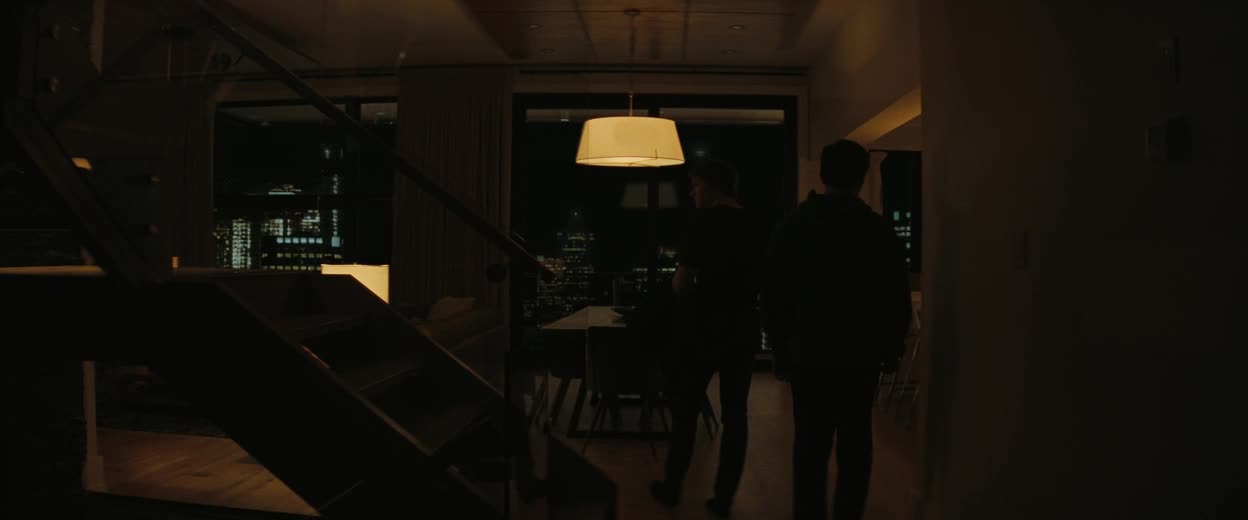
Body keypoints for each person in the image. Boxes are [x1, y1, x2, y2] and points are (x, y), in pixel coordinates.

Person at [762, 140, 912, 520]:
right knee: (856, 444)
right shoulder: (876, 229)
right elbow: (895, 295)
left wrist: (780, 348)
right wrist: (892, 348)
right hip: (860, 354)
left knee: (810, 446)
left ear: (822, 174)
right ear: (862, 177)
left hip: (808, 352)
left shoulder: (795, 225)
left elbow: (775, 294)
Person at [650, 160, 767, 518]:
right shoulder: (756, 223)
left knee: (685, 409)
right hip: (742, 326)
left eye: (696, 185)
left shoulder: (704, 223)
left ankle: (672, 486)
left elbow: (682, 281)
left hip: (701, 327)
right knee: (736, 414)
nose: (692, 192)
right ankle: (723, 498)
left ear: (713, 187)